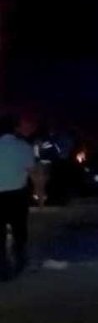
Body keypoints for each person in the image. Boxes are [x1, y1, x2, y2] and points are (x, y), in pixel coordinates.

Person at [0, 113, 36, 278]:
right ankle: (20, 260)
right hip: (17, 196)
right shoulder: (24, 147)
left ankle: (2, 267)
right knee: (19, 229)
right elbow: (33, 174)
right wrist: (40, 195)